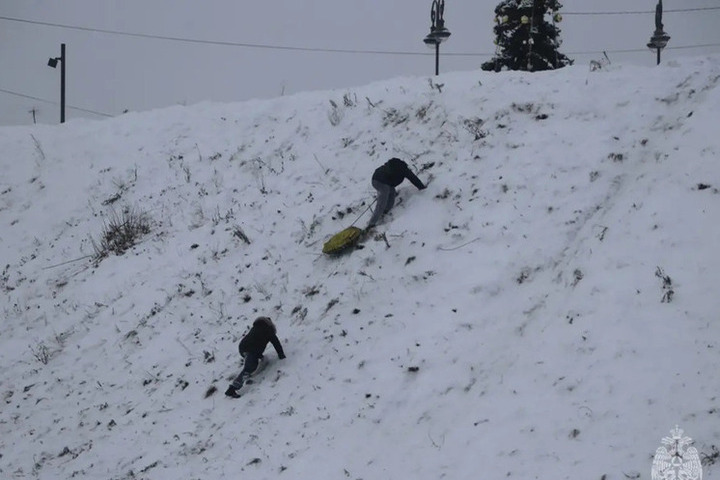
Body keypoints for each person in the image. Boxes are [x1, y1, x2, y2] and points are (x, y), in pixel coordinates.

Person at [225, 316, 286, 398]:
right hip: (251, 350)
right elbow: (276, 343)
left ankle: (249, 373)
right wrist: (281, 355)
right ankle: (232, 389)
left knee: (253, 363)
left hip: (243, 347)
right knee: (249, 368)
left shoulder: (256, 327)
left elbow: (254, 340)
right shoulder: (268, 330)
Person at [366, 157, 426, 229]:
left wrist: (422, 187)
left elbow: (413, 178)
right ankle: (371, 224)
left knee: (392, 193)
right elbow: (413, 178)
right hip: (379, 181)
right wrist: (422, 187)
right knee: (382, 202)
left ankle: (385, 211)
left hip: (385, 181)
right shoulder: (396, 169)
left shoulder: (402, 170)